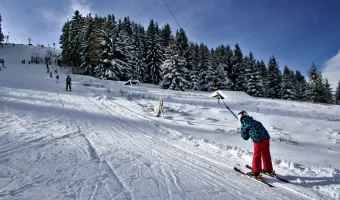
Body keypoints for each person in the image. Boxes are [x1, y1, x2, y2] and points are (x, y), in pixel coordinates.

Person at [238, 111, 275, 180]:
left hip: (258, 140)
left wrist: (242, 129)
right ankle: (268, 169)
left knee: (257, 155)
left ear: (240, 119)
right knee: (265, 153)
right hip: (266, 138)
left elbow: (245, 137)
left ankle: (256, 172)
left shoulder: (244, 125)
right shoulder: (255, 121)